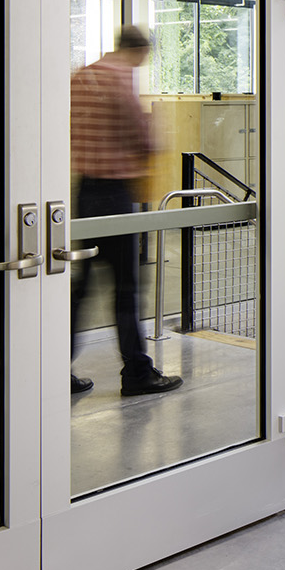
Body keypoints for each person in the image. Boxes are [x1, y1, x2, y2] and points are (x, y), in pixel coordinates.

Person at [69, 26, 182, 397]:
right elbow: (142, 139)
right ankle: (137, 371)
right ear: (140, 50)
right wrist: (155, 132)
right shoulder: (121, 79)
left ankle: (51, 365)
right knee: (127, 288)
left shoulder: (84, 75)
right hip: (116, 192)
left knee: (82, 286)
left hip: (85, 189)